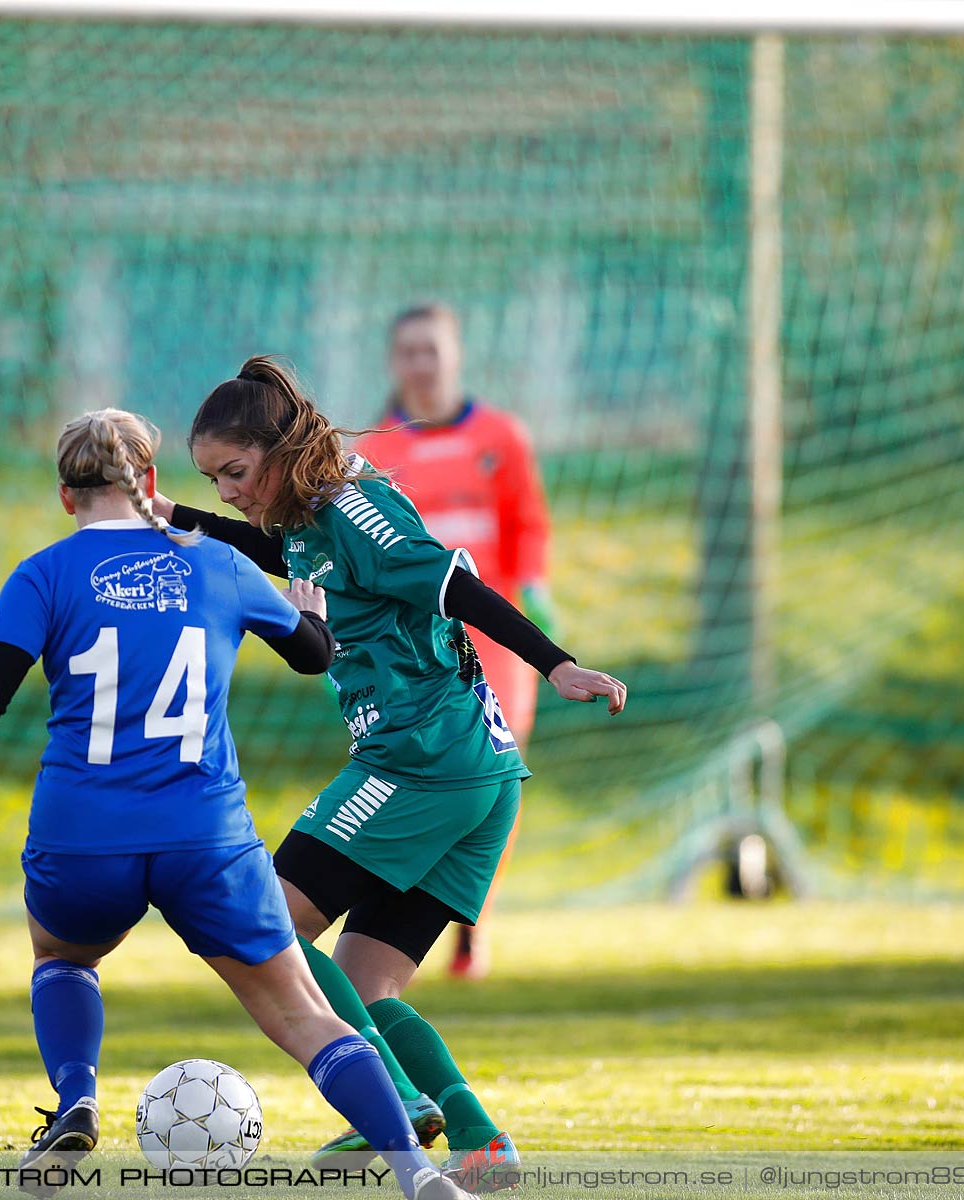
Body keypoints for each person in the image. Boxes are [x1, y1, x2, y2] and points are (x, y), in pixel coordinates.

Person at [0, 409, 471, 1200]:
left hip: (83, 834)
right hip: (207, 839)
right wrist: (315, 618)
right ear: (151, 483)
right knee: (304, 1016)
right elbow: (310, 656)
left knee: (63, 957)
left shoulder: (43, 575)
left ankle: (76, 1095)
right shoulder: (219, 565)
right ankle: (418, 1175)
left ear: (66, 495)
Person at [155, 357, 626, 1193]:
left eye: (234, 472)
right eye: (211, 478)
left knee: (264, 921)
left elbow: (457, 587)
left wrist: (555, 666)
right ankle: (479, 1142)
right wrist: (171, 515)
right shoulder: (305, 514)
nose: (225, 491)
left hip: (423, 761)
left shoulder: (356, 509)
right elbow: (275, 549)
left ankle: (394, 1106)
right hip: (466, 773)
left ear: (279, 449)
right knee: (367, 982)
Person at [354, 302, 553, 980]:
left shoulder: (503, 435)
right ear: (392, 361)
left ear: (455, 354)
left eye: (431, 349)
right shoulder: (374, 452)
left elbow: (528, 526)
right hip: (411, 641)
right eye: (407, 350)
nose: (420, 363)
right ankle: (400, 917)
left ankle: (474, 920)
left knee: (495, 772)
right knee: (413, 770)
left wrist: (537, 593)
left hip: (493, 630)